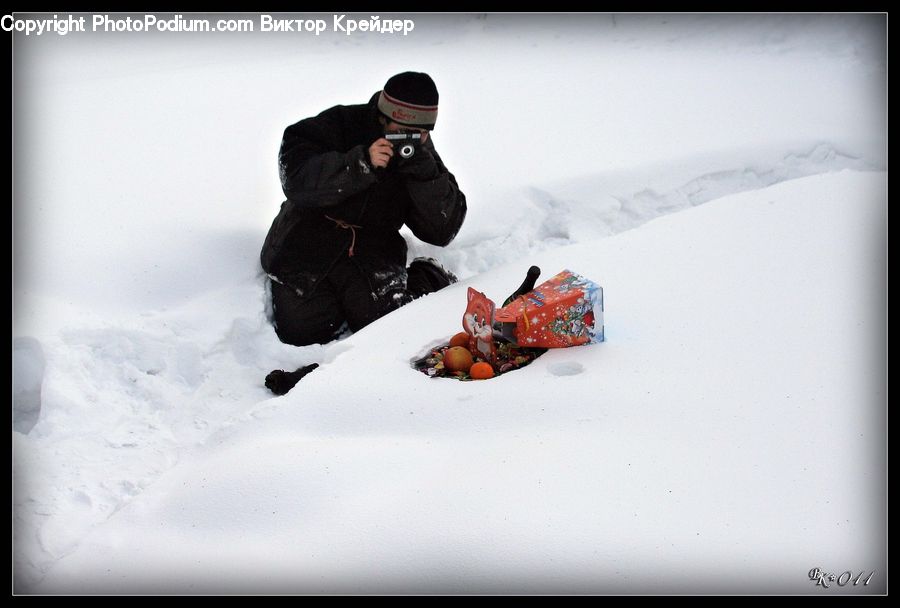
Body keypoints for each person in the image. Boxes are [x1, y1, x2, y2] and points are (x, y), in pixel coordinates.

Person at [261, 71, 467, 393]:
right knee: (301, 332)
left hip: (372, 249)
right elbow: (296, 178)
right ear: (383, 116)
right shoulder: (339, 124)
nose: (410, 139)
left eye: (421, 133)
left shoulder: (420, 154)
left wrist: (423, 173)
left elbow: (442, 228)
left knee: (386, 327)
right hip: (307, 240)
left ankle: (428, 275)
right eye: (403, 130)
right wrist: (359, 164)